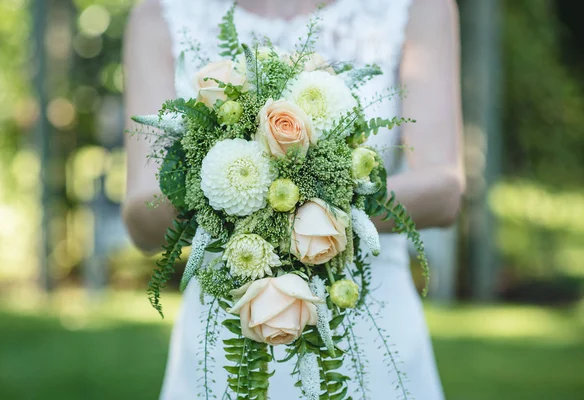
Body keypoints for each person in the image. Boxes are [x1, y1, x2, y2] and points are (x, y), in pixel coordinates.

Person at [123, 0, 464, 398]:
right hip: (223, 341)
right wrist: (231, 191)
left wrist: (310, 204)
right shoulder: (161, 13)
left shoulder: (416, 6)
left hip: (373, 332)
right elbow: (141, 214)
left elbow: (444, 192)